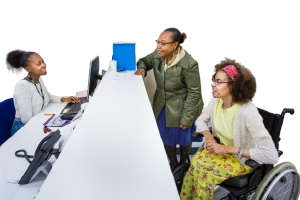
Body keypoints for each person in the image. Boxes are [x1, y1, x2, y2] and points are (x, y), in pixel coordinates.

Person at [180, 58, 278, 199]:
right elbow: (201, 120)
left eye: (218, 82)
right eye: (214, 79)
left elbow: (271, 155)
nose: (212, 84)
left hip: (242, 159)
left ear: (233, 86)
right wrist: (209, 137)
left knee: (204, 172)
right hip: (223, 152)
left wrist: (226, 149)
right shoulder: (216, 101)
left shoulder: (247, 112)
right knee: (195, 164)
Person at [134, 28, 204, 171]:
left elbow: (194, 92)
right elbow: (144, 61)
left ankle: (184, 163)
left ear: (175, 45)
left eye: (164, 43)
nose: (159, 46)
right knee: (165, 136)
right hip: (162, 103)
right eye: (158, 42)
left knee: (183, 137)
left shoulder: (190, 64)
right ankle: (173, 164)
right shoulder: (158, 54)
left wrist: (187, 117)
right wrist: (142, 69)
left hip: (183, 105)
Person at [6, 50, 79, 135]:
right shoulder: (23, 86)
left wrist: (64, 99)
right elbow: (26, 119)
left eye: (43, 62)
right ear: (28, 69)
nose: (44, 65)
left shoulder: (38, 79)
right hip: (22, 128)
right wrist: (48, 125)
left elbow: (46, 96)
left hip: (37, 120)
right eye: (39, 64)